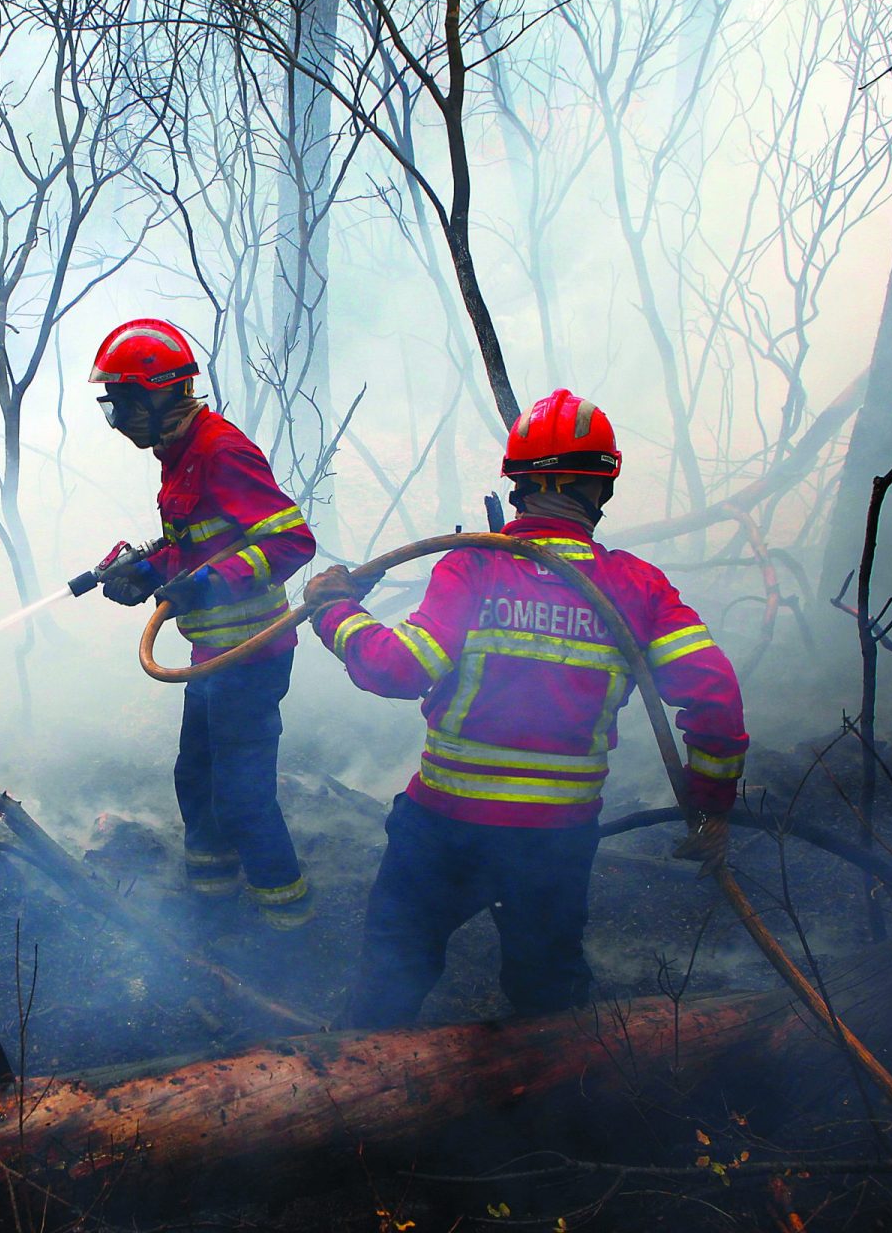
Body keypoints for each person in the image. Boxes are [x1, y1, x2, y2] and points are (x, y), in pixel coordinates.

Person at [301, 389, 747, 1025]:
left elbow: (398, 669)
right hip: (555, 838)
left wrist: (335, 611)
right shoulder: (637, 586)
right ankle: (555, 1104)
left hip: (444, 827)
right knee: (549, 998)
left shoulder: (476, 567)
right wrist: (711, 811)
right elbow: (715, 696)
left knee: (390, 976)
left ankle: (356, 1093)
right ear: (602, 486)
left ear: (517, 483)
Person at [90, 318, 318, 930]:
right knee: (196, 776)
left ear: (162, 392)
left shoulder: (220, 450)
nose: (120, 419)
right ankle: (212, 900)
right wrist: (148, 574)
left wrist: (208, 584)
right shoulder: (179, 455)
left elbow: (292, 542)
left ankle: (287, 919)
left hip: (252, 652)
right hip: (212, 656)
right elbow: (197, 548)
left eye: (124, 402)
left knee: (243, 792)